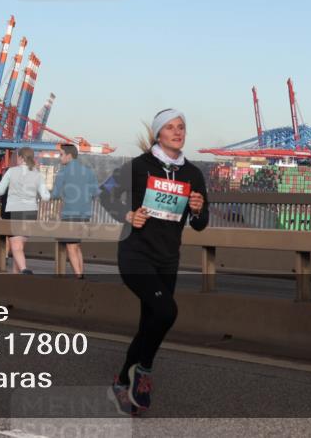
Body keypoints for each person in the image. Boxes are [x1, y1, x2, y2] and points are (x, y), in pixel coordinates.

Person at [99, 109, 208, 416]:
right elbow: (105, 193)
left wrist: (197, 209)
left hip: (167, 258)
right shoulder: (139, 166)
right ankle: (143, 372)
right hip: (135, 253)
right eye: (170, 127)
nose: (177, 132)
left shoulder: (193, 174)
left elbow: (200, 224)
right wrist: (127, 215)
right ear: (159, 134)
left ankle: (121, 382)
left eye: (181, 127)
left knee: (151, 322)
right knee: (166, 310)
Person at [0, 147, 50, 274]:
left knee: (16, 246)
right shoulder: (37, 174)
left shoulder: (11, 171)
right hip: (31, 212)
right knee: (20, 247)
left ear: (19, 157)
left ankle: (24, 269)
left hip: (14, 211)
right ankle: (16, 276)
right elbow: (46, 197)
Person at [51, 143, 99, 279]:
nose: (59, 158)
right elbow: (96, 192)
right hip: (85, 214)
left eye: (61, 154)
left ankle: (79, 278)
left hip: (70, 213)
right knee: (76, 246)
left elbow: (54, 194)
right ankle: (81, 274)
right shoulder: (88, 171)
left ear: (69, 155)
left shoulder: (63, 172)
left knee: (71, 247)